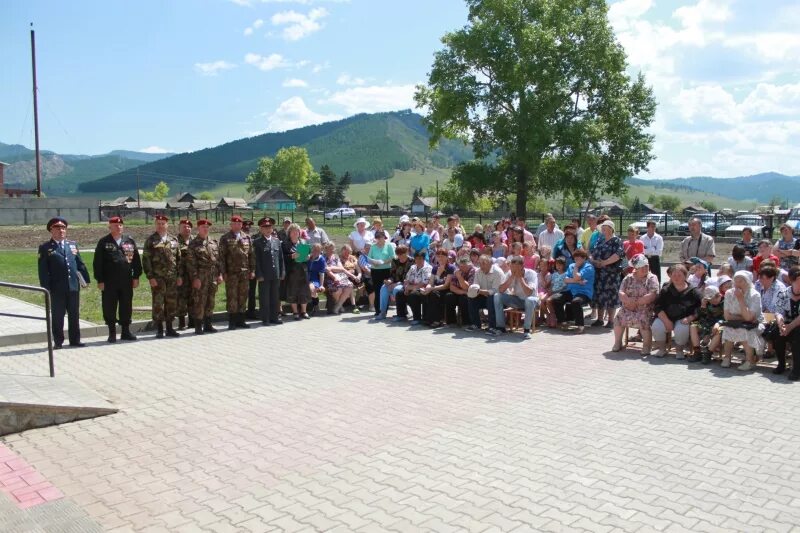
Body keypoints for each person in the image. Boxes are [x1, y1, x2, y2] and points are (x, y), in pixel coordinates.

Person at [38, 217, 90, 349]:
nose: (61, 230)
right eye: (57, 228)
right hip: (56, 288)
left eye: (63, 228)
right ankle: (58, 341)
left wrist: (85, 280)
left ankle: (75, 340)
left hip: (73, 286)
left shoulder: (72, 245)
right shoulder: (46, 248)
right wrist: (46, 288)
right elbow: (43, 270)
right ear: (51, 230)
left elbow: (79, 263)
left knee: (74, 314)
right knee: (58, 316)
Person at [93, 216, 142, 343]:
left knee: (126, 305)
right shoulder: (104, 242)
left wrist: (136, 276)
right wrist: (100, 280)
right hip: (109, 281)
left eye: (120, 225)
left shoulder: (129, 241)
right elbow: (97, 263)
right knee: (110, 306)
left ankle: (126, 331)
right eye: (115, 225)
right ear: (110, 227)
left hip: (126, 280)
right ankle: (112, 332)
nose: (118, 227)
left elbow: (136, 260)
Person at [142, 214, 181, 339]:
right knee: (158, 303)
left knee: (171, 302)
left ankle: (170, 328)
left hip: (172, 277)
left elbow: (179, 259)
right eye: (158, 223)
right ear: (155, 225)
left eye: (163, 223)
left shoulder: (173, 240)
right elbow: (146, 260)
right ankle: (159, 329)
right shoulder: (151, 240)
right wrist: (150, 277)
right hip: (158, 278)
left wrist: (179, 275)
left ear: (167, 225)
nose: (160, 225)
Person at [611, 254, 659, 353]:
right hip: (628, 307)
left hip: (645, 308)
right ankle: (617, 342)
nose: (645, 268)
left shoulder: (652, 278)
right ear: (636, 268)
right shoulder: (628, 278)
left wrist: (636, 303)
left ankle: (646, 346)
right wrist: (628, 301)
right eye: (642, 267)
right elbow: (621, 292)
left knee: (643, 318)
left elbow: (652, 295)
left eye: (647, 266)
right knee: (619, 317)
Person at [651, 264, 701, 358]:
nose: (676, 278)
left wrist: (691, 318)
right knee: (657, 326)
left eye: (679, 275)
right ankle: (662, 349)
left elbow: (700, 307)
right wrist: (666, 321)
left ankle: (679, 350)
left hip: (684, 318)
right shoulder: (665, 290)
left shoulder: (694, 291)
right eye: (674, 275)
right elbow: (658, 307)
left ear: (685, 276)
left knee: (681, 329)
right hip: (666, 317)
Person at [720, 271, 765, 371]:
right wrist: (743, 317)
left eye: (741, 281)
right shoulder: (729, 293)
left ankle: (749, 361)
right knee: (728, 329)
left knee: (744, 331)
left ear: (748, 282)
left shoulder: (754, 295)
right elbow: (727, 316)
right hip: (736, 323)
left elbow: (750, 319)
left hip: (755, 324)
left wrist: (740, 299)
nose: (737, 284)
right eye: (735, 281)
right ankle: (727, 357)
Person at [185, 219, 223, 335]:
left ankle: (208, 324)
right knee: (199, 301)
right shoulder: (193, 244)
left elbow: (219, 260)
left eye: (207, 227)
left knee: (210, 301)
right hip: (200, 277)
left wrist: (220, 274)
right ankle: (198, 326)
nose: (205, 229)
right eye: (203, 227)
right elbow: (191, 264)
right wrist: (195, 278)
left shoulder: (213, 242)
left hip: (213, 276)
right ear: (198, 228)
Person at [219, 215, 256, 330]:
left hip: (244, 272)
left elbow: (251, 255)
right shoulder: (225, 238)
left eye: (239, 224)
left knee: (243, 296)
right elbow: (222, 257)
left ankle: (241, 320)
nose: (237, 226)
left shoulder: (247, 238)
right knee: (232, 297)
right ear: (231, 225)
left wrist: (252, 270)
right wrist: (223, 272)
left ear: (241, 225)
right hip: (232, 273)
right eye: (234, 224)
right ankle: (232, 321)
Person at [490, 255, 538, 339]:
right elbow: (501, 290)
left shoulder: (531, 274)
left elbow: (529, 293)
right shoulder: (510, 273)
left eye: (516, 267)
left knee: (529, 300)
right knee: (497, 296)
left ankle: (526, 330)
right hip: (518, 300)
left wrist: (520, 278)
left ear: (522, 266)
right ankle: (501, 327)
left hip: (532, 301)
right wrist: (512, 277)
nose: (513, 270)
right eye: (512, 267)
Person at [590, 220, 625, 328]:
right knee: (599, 295)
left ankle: (610, 321)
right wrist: (594, 261)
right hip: (598, 272)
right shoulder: (600, 240)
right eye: (603, 227)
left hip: (611, 274)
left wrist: (604, 263)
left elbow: (618, 255)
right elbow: (592, 252)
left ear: (611, 229)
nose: (603, 229)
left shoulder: (617, 241)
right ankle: (599, 319)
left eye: (606, 227)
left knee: (611, 296)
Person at [551, 249, 595, 334]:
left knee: (576, 302)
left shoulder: (588, 267)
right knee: (556, 299)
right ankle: (563, 322)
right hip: (571, 291)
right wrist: (578, 281)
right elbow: (566, 280)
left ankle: (580, 326)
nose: (576, 261)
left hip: (584, 293)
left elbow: (577, 276)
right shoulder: (571, 265)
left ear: (584, 258)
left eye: (578, 259)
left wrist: (576, 267)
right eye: (575, 259)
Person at [253, 217, 284, 325]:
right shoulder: (257, 242)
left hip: (275, 274)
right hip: (264, 275)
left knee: (275, 297)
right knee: (264, 297)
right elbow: (256, 260)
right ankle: (265, 318)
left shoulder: (276, 241)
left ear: (272, 228)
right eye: (265, 227)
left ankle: (274, 317)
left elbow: (280, 258)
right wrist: (259, 274)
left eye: (269, 227)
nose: (267, 229)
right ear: (261, 229)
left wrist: (282, 272)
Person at [464, 254, 504, 332]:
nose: (481, 266)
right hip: (483, 295)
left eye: (484, 263)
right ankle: (475, 324)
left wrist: (480, 291)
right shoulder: (478, 271)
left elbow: (495, 290)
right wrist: (474, 291)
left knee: (491, 298)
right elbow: (476, 286)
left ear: (490, 263)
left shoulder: (497, 272)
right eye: (480, 263)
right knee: (471, 297)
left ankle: (492, 326)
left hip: (498, 298)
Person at [774, 266, 800, 380]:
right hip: (788, 323)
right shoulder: (783, 293)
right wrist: (781, 324)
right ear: (792, 280)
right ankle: (781, 364)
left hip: (797, 325)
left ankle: (797, 369)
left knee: (797, 338)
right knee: (777, 334)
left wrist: (789, 327)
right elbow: (778, 312)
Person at [689, 285, 725, 364]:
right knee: (693, 326)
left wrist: (718, 323)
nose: (711, 301)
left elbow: (727, 317)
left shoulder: (725, 302)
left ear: (718, 295)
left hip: (721, 323)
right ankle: (697, 352)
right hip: (708, 323)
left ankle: (708, 353)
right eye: (709, 299)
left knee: (719, 331)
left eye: (712, 299)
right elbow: (701, 316)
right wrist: (703, 306)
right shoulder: (706, 302)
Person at [282, 223, 311, 319]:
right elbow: (282, 258)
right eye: (293, 232)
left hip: (303, 270)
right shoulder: (285, 244)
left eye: (297, 231)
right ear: (289, 233)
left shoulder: (304, 243)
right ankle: (295, 312)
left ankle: (304, 311)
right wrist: (291, 256)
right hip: (292, 271)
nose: (295, 233)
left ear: (299, 233)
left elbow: (309, 254)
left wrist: (308, 257)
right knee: (293, 291)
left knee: (304, 291)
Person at [420, 249, 455, 327]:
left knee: (433, 294)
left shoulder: (450, 268)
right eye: (438, 256)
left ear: (447, 257)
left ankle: (436, 320)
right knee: (425, 293)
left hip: (446, 290)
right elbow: (431, 282)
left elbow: (446, 285)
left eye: (442, 256)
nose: (440, 258)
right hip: (436, 289)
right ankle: (427, 318)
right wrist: (427, 288)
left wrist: (431, 288)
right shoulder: (435, 268)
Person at [376, 244, 412, 320]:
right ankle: (382, 312)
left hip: (407, 283)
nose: (400, 256)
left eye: (402, 254)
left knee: (397, 289)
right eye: (398, 254)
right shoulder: (395, 261)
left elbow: (411, 278)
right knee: (383, 288)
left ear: (407, 252)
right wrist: (389, 281)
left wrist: (397, 284)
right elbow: (392, 275)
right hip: (395, 282)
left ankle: (402, 313)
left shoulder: (412, 261)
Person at [396, 251, 432, 324]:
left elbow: (424, 283)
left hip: (423, 289)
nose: (418, 260)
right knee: (399, 293)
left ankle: (417, 318)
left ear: (424, 259)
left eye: (420, 259)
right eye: (416, 259)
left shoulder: (428, 267)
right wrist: (406, 287)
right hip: (412, 286)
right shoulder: (413, 267)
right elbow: (407, 279)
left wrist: (410, 288)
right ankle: (402, 315)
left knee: (413, 295)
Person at [367, 231, 396, 317]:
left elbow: (393, 257)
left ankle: (384, 310)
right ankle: (377, 310)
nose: (379, 239)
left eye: (380, 237)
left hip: (386, 270)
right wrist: (374, 262)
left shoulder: (389, 245)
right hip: (375, 270)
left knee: (384, 290)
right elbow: (369, 258)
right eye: (377, 237)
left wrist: (383, 262)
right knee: (377, 290)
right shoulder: (373, 246)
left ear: (384, 237)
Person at [323, 242, 355, 315]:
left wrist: (332, 268)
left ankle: (337, 306)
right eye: (330, 249)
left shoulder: (336, 257)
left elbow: (341, 268)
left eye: (333, 249)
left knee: (350, 285)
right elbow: (326, 270)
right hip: (329, 277)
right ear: (326, 249)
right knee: (338, 290)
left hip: (340, 276)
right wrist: (334, 274)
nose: (332, 250)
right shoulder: (323, 257)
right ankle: (339, 306)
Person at [445, 256, 476, 326]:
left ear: (469, 265)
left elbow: (467, 287)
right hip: (462, 292)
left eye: (464, 266)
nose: (462, 268)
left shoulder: (473, 271)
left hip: (471, 293)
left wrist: (460, 277)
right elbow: (452, 287)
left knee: (464, 299)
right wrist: (463, 292)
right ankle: (451, 322)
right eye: (460, 266)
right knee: (449, 296)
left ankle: (466, 322)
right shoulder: (457, 271)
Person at [175, 219, 194, 330]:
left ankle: (192, 321)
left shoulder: (195, 240)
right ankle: (182, 322)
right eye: (184, 227)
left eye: (188, 227)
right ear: (179, 228)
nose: (186, 228)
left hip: (193, 275)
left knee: (193, 297)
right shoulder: (175, 241)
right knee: (181, 298)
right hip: (181, 275)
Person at [242, 219, 259, 320]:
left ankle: (251, 312)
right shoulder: (239, 238)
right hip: (241, 269)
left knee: (251, 292)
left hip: (252, 269)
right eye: (245, 226)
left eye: (249, 226)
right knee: (242, 292)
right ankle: (241, 313)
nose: (247, 228)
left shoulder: (253, 239)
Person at [340, 244, 362, 312]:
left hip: (355, 277)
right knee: (351, 286)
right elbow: (340, 271)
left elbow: (359, 271)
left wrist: (358, 276)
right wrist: (350, 272)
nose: (347, 254)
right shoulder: (339, 259)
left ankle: (357, 303)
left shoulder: (352, 258)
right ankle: (354, 305)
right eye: (346, 252)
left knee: (362, 285)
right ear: (342, 251)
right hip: (345, 277)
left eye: (349, 252)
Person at [307, 243, 327, 315]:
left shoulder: (321, 260)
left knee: (312, 289)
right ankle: (314, 306)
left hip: (314, 278)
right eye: (314, 250)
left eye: (318, 251)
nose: (316, 252)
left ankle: (315, 306)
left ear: (321, 251)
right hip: (305, 277)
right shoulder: (308, 257)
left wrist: (321, 285)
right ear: (311, 250)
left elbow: (322, 273)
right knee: (311, 290)